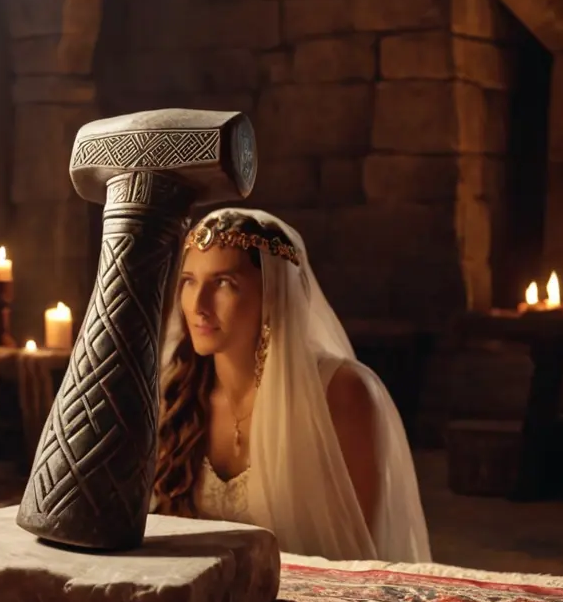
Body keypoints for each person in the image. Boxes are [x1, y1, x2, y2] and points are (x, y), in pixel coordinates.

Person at [152, 207, 433, 563]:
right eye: (189, 281)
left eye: (224, 283)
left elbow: (363, 556)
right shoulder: (177, 395)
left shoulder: (343, 394)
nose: (198, 305)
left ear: (274, 294)